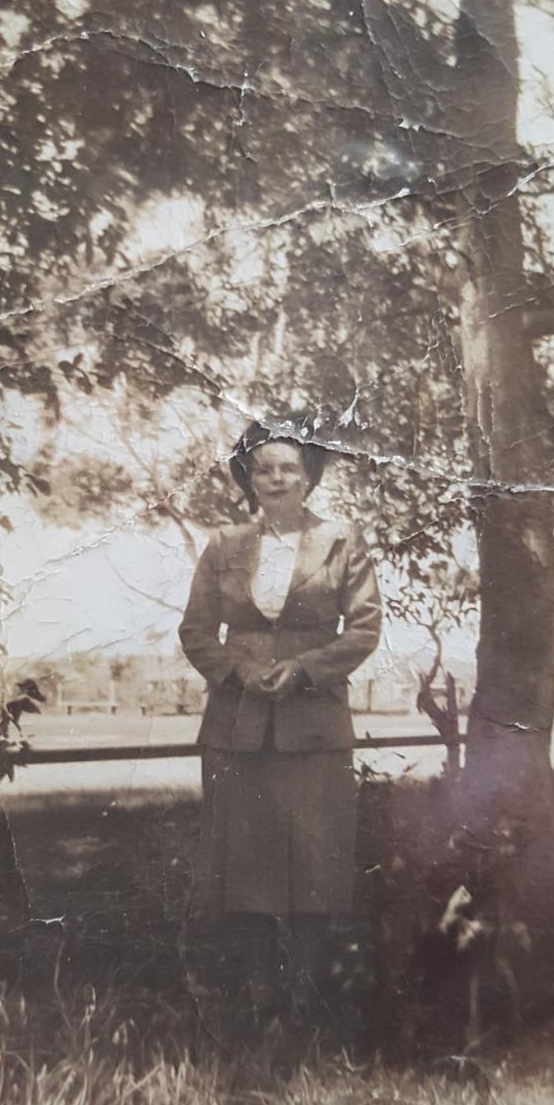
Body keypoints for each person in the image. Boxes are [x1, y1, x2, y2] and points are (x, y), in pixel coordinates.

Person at [178, 417, 382, 1029]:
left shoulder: (342, 541)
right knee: (244, 864)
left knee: (315, 865)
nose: (275, 478)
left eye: (288, 467)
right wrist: (237, 673)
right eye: (262, 468)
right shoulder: (224, 544)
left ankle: (310, 999)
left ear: (309, 476)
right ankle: (262, 998)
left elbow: (365, 630)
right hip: (236, 728)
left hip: (313, 727)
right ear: (249, 477)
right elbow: (194, 631)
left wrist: (305, 669)